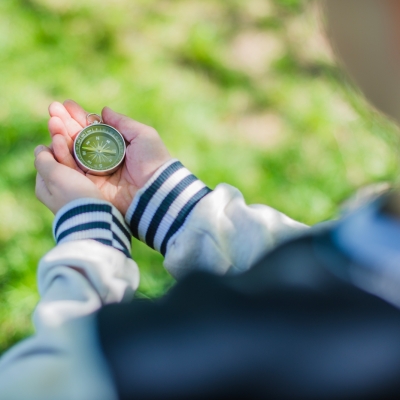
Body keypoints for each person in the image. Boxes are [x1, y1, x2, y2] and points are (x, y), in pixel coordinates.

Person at [2, 1, 400, 399]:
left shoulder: (211, 355)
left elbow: (42, 382)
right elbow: (318, 269)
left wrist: (89, 238)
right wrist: (167, 203)